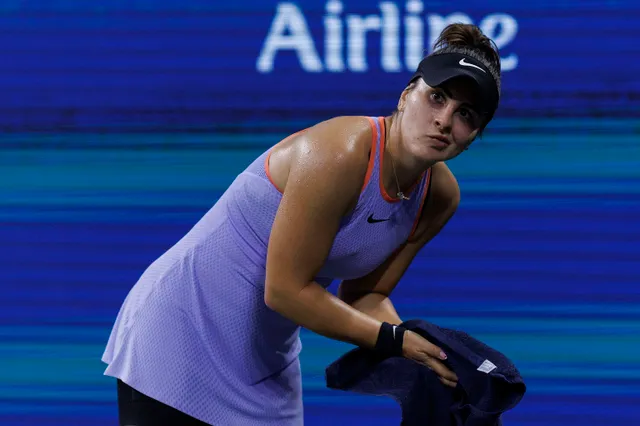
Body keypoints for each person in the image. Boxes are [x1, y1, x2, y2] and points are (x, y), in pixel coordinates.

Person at [102, 23, 502, 426]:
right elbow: (285, 291)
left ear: (475, 135)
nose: (444, 120)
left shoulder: (438, 197)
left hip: (263, 357)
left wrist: (427, 358)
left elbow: (366, 294)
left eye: (464, 114)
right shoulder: (341, 151)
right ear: (405, 95)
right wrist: (395, 341)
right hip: (179, 332)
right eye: (436, 97)